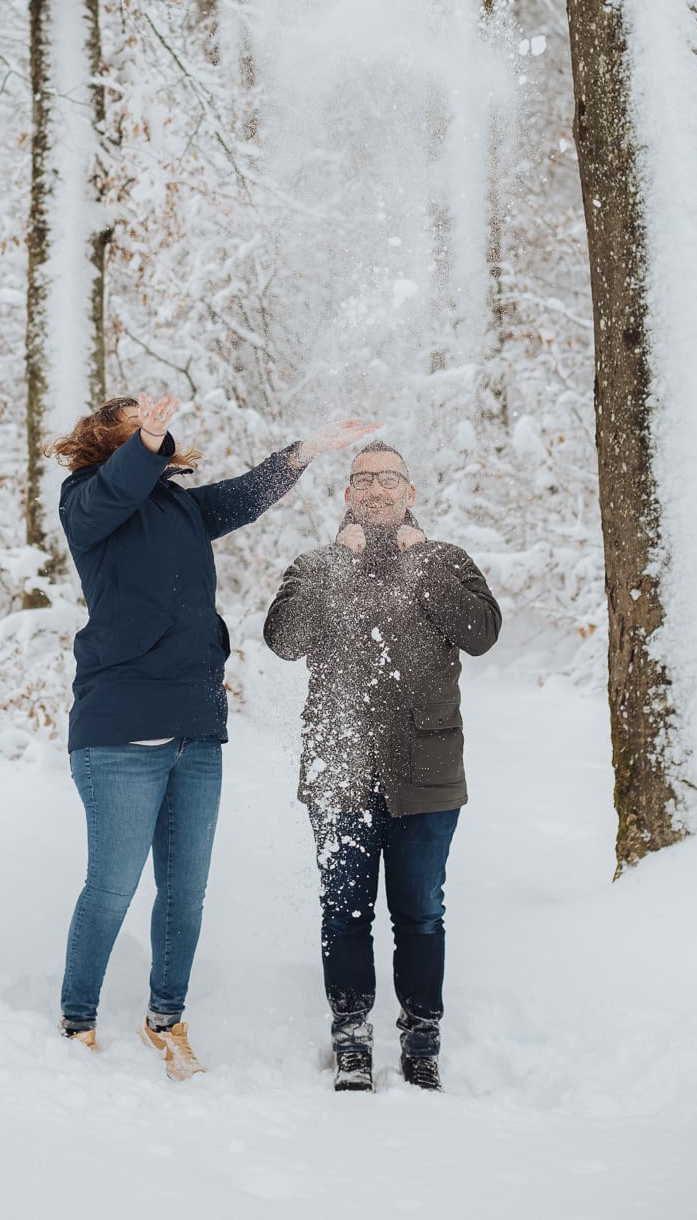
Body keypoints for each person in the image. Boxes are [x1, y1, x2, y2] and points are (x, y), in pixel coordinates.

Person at [45, 392, 377, 1080]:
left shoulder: (179, 507)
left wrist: (309, 448)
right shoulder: (85, 503)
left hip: (196, 728)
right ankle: (77, 1022)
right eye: (135, 422)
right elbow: (115, 489)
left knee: (185, 893)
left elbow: (246, 496)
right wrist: (146, 445)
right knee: (111, 887)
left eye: (155, 421)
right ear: (108, 437)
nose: (152, 427)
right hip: (120, 732)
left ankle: (167, 1019)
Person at [263, 439, 501, 1093]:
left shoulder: (445, 561)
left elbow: (481, 633)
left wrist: (421, 563)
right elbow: (285, 640)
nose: (374, 488)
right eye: (362, 479)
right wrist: (339, 563)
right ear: (345, 495)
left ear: (410, 493)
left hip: (427, 773)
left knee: (420, 913)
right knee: (344, 911)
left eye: (388, 478)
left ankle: (421, 1041)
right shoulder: (317, 564)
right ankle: (351, 1037)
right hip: (339, 772)